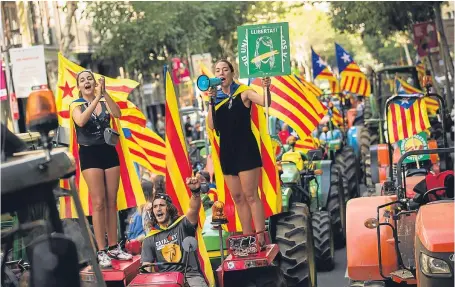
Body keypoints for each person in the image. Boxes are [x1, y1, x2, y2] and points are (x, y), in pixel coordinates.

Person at [71, 70, 132, 268]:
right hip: (89, 154)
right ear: (79, 86)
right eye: (83, 80)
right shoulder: (76, 105)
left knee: (111, 201)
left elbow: (117, 114)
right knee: (98, 202)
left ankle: (114, 246)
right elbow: (81, 121)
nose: (87, 82)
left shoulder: (104, 100)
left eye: (90, 79)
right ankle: (101, 250)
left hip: (108, 151)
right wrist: (96, 98)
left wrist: (104, 94)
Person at [206, 59, 271, 246]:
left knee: (251, 195)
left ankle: (260, 235)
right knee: (238, 197)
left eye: (225, 69)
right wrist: (211, 100)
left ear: (232, 72)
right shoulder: (215, 99)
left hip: (246, 148)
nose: (221, 73)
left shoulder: (243, 92)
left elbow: (265, 102)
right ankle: (247, 235)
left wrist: (266, 87)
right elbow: (211, 125)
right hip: (227, 151)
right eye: (217, 70)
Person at [141, 176, 208, 287]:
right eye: (155, 207)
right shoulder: (149, 238)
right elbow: (146, 267)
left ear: (169, 208)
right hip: (165, 280)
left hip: (190, 276)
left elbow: (193, 209)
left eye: (162, 205)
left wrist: (195, 192)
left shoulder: (183, 224)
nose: (158, 209)